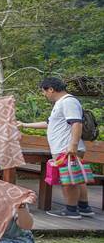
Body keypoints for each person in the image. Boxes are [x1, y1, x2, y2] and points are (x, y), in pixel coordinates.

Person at [19, 77, 94, 219]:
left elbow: (77, 123)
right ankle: (84, 207)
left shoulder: (68, 102)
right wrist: (24, 124)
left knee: (68, 179)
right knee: (76, 177)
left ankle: (71, 210)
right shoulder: (61, 103)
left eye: (44, 91)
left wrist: (72, 145)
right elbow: (49, 123)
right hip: (65, 147)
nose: (44, 94)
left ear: (51, 89)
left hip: (66, 148)